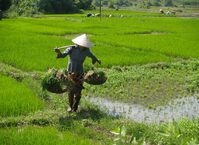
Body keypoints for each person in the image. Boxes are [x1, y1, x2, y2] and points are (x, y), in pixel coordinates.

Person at [54, 34, 101, 112]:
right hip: (71, 71)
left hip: (80, 72)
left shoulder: (86, 51)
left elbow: (92, 56)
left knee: (78, 90)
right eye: (84, 44)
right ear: (79, 44)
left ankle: (75, 107)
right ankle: (70, 106)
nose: (85, 46)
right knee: (70, 89)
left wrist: (97, 60)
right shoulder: (71, 49)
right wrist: (58, 52)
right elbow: (62, 55)